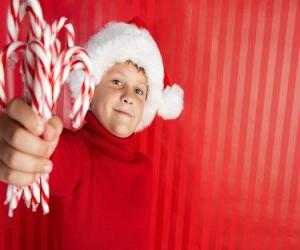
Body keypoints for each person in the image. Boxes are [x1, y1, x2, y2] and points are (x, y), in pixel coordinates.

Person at [0, 16, 184, 249]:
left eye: (139, 90)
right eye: (117, 82)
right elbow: (52, 156)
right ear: (90, 89)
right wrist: (30, 142)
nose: (128, 95)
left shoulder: (144, 169)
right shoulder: (78, 153)